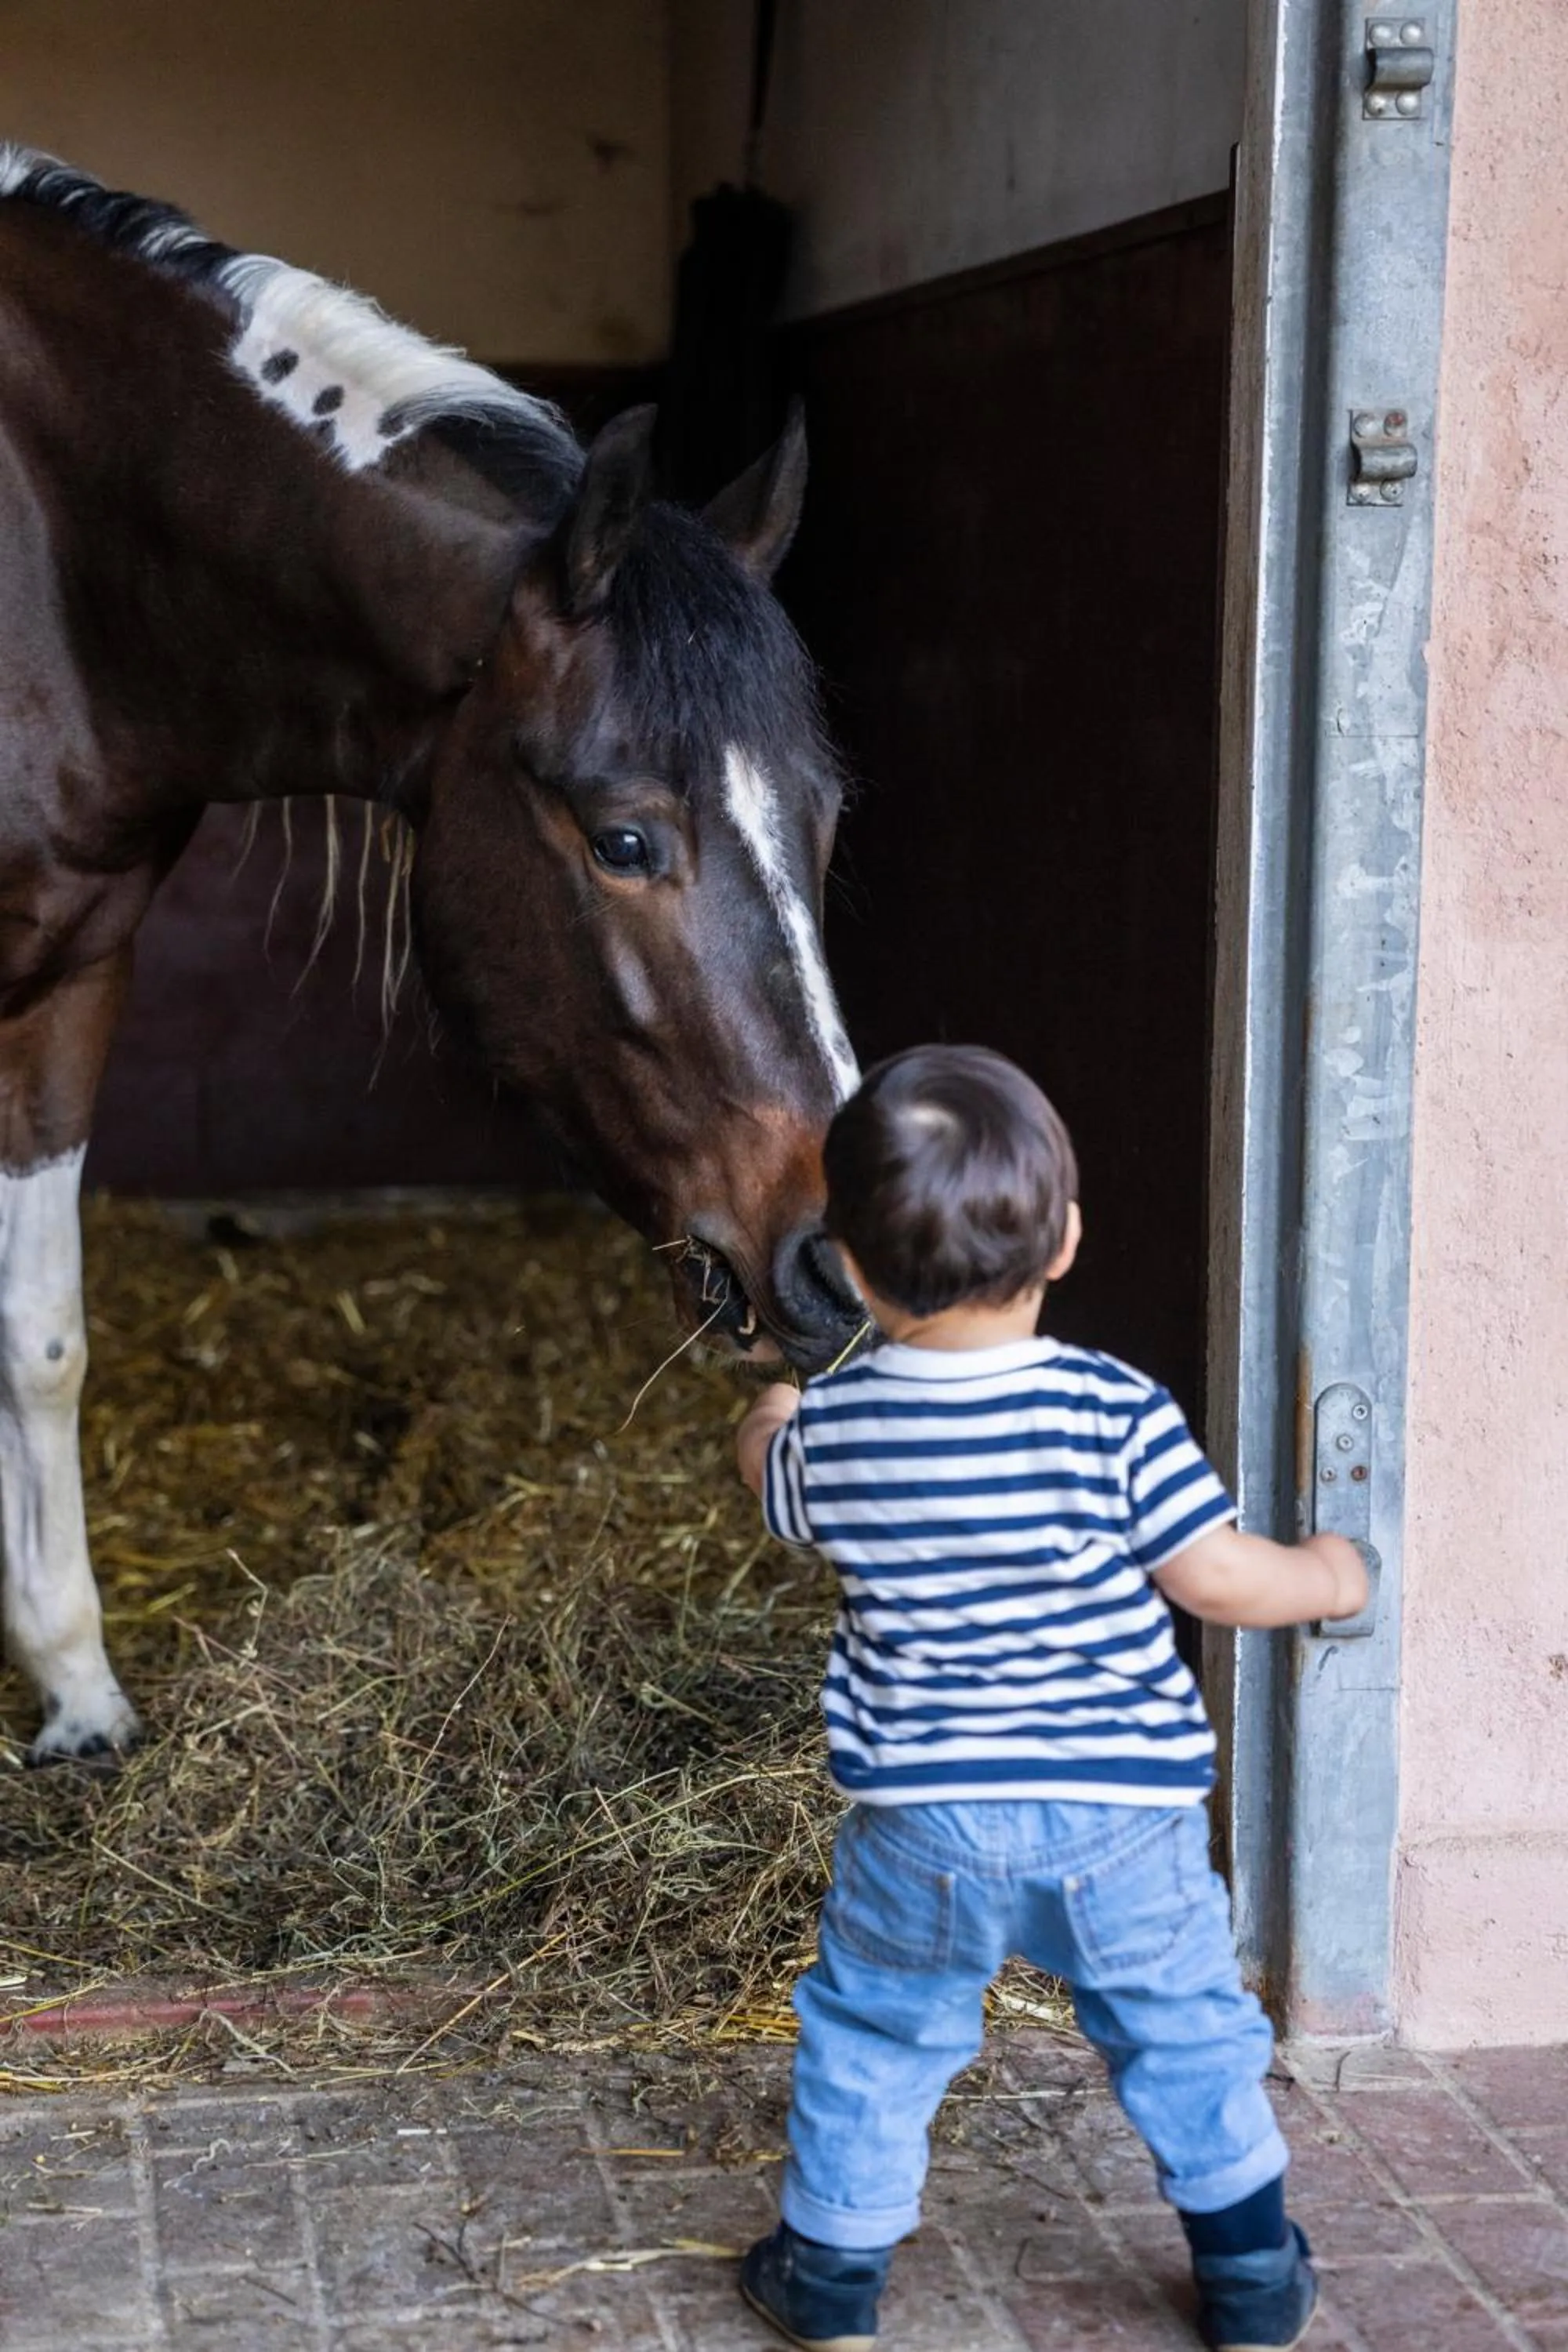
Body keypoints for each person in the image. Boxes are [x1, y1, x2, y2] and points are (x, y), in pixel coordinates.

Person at [731, 1044, 1368, 2352]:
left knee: (876, 2031)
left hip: (921, 1827)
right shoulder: (1113, 1411)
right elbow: (1215, 1579)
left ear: (845, 1266)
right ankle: (1251, 2277)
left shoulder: (839, 1429)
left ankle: (832, 2279)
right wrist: (1328, 1575)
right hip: (1116, 1815)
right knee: (1183, 2031)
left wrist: (771, 1402)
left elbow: (772, 1475)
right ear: (1066, 1240)